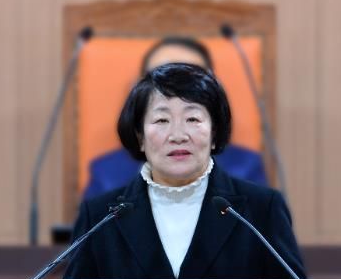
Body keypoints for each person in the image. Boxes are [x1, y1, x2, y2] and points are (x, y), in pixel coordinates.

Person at [62, 63, 306, 279]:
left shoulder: (262, 210)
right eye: (162, 120)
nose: (178, 135)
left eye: (192, 119)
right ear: (140, 137)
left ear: (214, 133)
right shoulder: (99, 216)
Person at [82, 37, 268, 199]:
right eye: (161, 77)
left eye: (190, 79)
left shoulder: (245, 170)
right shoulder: (107, 175)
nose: (175, 92)